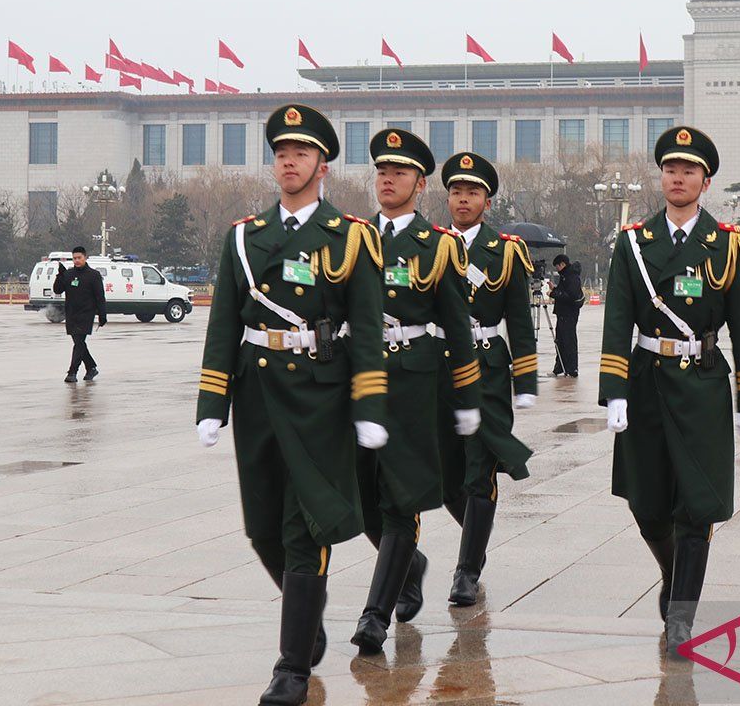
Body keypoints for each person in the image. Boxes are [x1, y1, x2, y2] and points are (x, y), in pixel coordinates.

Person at [194, 104, 387, 706]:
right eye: (281, 152)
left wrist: (370, 405)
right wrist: (211, 400)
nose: (289, 161)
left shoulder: (350, 236)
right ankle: (308, 616)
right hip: (257, 395)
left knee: (305, 527)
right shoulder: (243, 237)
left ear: (322, 164)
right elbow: (224, 320)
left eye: (301, 153)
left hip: (320, 396)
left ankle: (291, 667)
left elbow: (367, 329)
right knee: (261, 529)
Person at [598, 125, 740, 654]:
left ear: (705, 181)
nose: (678, 177)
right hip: (646, 380)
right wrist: (614, 390)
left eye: (688, 170)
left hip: (702, 384)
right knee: (647, 505)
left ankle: (682, 617)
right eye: (671, 169)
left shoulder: (729, 245)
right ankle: (674, 580)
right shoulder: (634, 243)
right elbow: (618, 317)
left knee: (696, 507)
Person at [351, 129, 481, 654]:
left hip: (414, 379)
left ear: (419, 183)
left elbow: (458, 326)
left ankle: (374, 616)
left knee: (401, 500)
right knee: (362, 500)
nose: (388, 178)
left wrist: (468, 398)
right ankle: (411, 564)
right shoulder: (352, 238)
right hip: (360, 379)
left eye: (400, 172)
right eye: (382, 170)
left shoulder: (439, 246)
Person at [438, 151, 538, 607]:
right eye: (457, 191)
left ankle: (467, 569)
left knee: (480, 471)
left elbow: (520, 320)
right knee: (445, 476)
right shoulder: (429, 244)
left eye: (472, 192)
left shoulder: (505, 251)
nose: (463, 199)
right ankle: (476, 536)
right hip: (437, 365)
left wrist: (528, 381)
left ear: (487, 201)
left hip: (486, 366)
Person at [53, 246, 106, 383]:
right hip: (71, 313)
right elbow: (58, 290)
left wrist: (102, 315)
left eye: (79, 258)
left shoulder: (93, 275)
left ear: (85, 257)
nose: (76, 261)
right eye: (74, 258)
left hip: (86, 313)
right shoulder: (69, 274)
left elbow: (100, 296)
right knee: (79, 342)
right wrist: (60, 275)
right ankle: (91, 367)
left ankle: (72, 372)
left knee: (79, 342)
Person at [549, 253, 583, 377]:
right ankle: (560, 367)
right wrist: (555, 289)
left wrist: (553, 294)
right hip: (562, 314)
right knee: (560, 341)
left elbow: (570, 296)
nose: (557, 269)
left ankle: (572, 368)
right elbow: (564, 292)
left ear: (562, 264)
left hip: (569, 314)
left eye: (557, 266)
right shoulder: (565, 276)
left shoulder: (571, 276)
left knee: (568, 341)